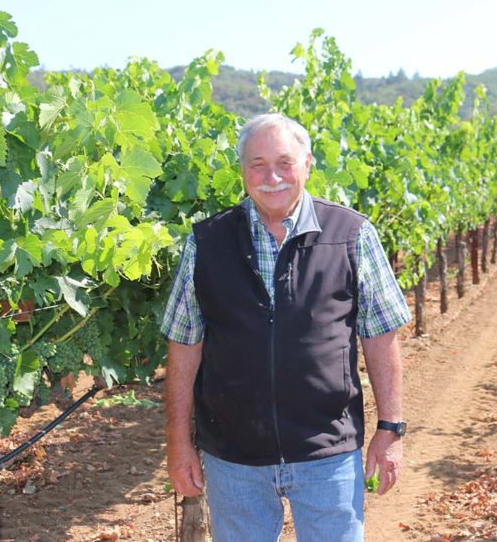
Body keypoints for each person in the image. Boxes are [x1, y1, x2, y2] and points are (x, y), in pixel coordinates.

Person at [161, 113, 410, 541]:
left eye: (284, 162)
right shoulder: (206, 242)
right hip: (234, 460)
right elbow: (184, 347)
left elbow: (381, 337)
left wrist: (391, 429)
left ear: (307, 164)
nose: (271, 176)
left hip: (328, 454)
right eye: (256, 164)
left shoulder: (352, 234)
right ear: (242, 171)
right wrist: (179, 442)